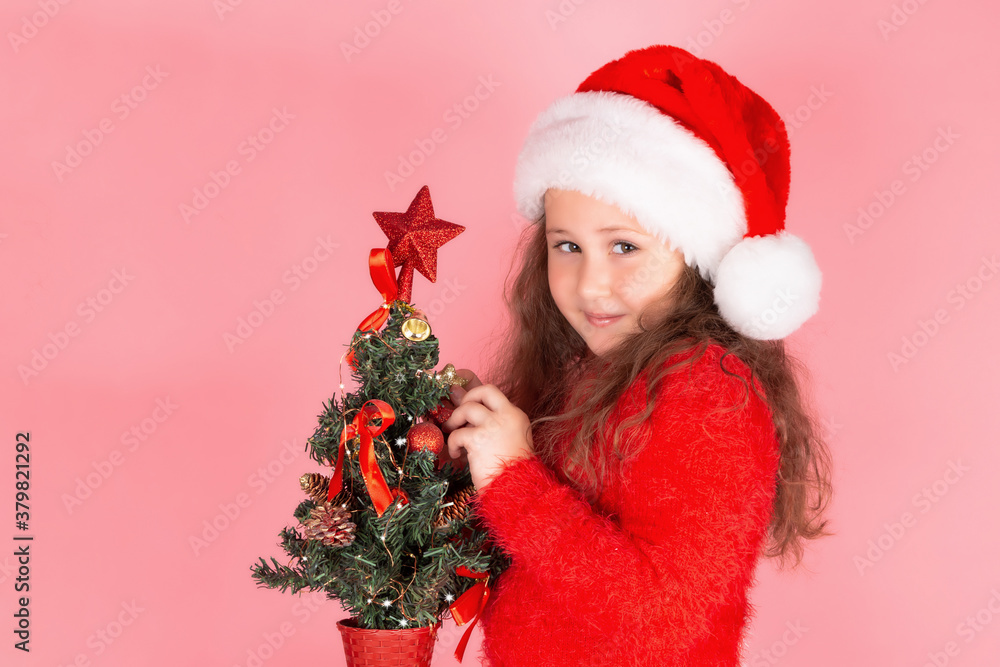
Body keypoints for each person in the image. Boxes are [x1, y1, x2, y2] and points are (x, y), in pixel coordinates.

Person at [440, 44, 833, 667]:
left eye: (624, 247)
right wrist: (464, 461)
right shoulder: (594, 377)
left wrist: (512, 477)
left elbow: (659, 624)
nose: (591, 284)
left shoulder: (709, 391)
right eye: (566, 245)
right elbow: (548, 563)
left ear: (694, 259)